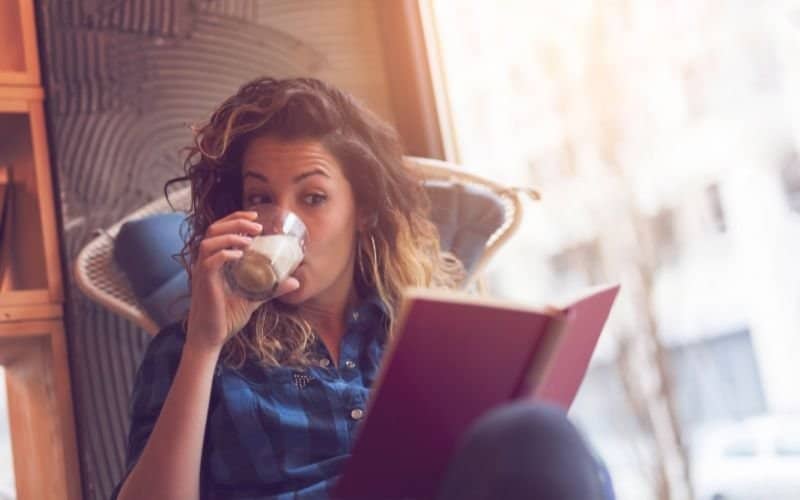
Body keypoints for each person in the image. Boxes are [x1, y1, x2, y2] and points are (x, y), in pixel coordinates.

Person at [112, 77, 613, 500]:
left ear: (363, 210)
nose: (281, 223)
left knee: (538, 435)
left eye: (313, 197)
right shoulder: (193, 349)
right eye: (260, 197)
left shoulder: (422, 333)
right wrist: (205, 343)